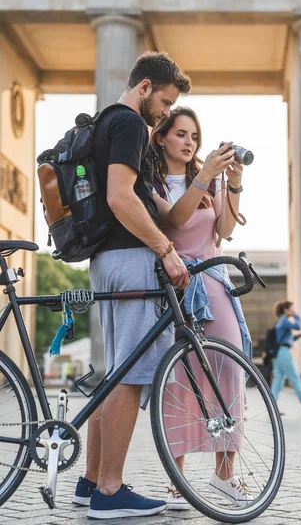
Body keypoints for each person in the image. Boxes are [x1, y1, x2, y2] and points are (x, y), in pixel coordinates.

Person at [72, 52, 191, 520]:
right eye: (164, 101)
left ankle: (90, 481)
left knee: (114, 373)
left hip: (106, 260)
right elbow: (121, 196)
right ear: (144, 87)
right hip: (131, 257)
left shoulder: (103, 121)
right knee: (132, 376)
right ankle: (110, 490)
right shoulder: (128, 124)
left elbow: (143, 197)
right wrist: (165, 249)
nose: (165, 113)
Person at [150, 106, 253, 510]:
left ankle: (225, 475)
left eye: (194, 135)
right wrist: (205, 174)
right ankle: (177, 481)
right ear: (161, 137)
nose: (190, 141)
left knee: (229, 372)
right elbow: (174, 220)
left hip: (214, 283)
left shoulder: (206, 183)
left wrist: (235, 184)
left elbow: (223, 231)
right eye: (180, 133)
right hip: (177, 286)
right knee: (179, 379)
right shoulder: (153, 183)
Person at [271, 301, 301, 415]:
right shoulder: (284, 320)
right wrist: (296, 316)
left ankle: (272, 409)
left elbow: (285, 338)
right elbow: (297, 326)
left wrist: (296, 337)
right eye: (292, 308)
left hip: (277, 353)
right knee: (295, 379)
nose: (294, 310)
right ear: (286, 310)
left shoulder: (281, 321)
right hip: (284, 353)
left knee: (277, 381)